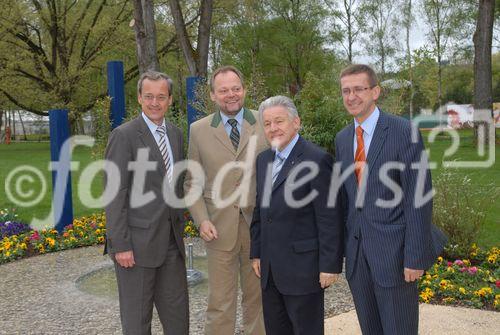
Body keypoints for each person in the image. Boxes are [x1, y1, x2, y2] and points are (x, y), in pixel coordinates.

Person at [334, 64, 445, 334]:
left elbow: (418, 197)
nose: (351, 97)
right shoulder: (343, 138)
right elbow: (347, 200)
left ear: (375, 92)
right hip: (359, 257)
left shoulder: (403, 131)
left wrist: (415, 256)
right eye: (346, 91)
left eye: (359, 89)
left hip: (395, 256)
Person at [184, 66, 268, 335]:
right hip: (218, 230)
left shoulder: (265, 122)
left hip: (259, 228)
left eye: (235, 88)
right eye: (223, 90)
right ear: (212, 95)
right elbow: (191, 183)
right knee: (220, 303)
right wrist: (202, 219)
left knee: (258, 301)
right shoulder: (198, 130)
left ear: (243, 90)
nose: (230, 95)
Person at [250, 96, 344, 335]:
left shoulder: (317, 159)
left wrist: (329, 265)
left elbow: (329, 216)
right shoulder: (263, 160)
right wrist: (257, 252)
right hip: (270, 271)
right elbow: (261, 211)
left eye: (279, 121)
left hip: (303, 270)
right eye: (268, 123)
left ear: (296, 122)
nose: (273, 128)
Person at [104, 71, 188, 335]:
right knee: (137, 322)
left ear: (170, 100)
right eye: (149, 96)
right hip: (136, 249)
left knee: (178, 320)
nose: (155, 102)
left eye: (161, 97)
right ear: (140, 98)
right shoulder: (124, 136)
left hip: (172, 244)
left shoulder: (175, 134)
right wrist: (121, 245)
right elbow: (114, 193)